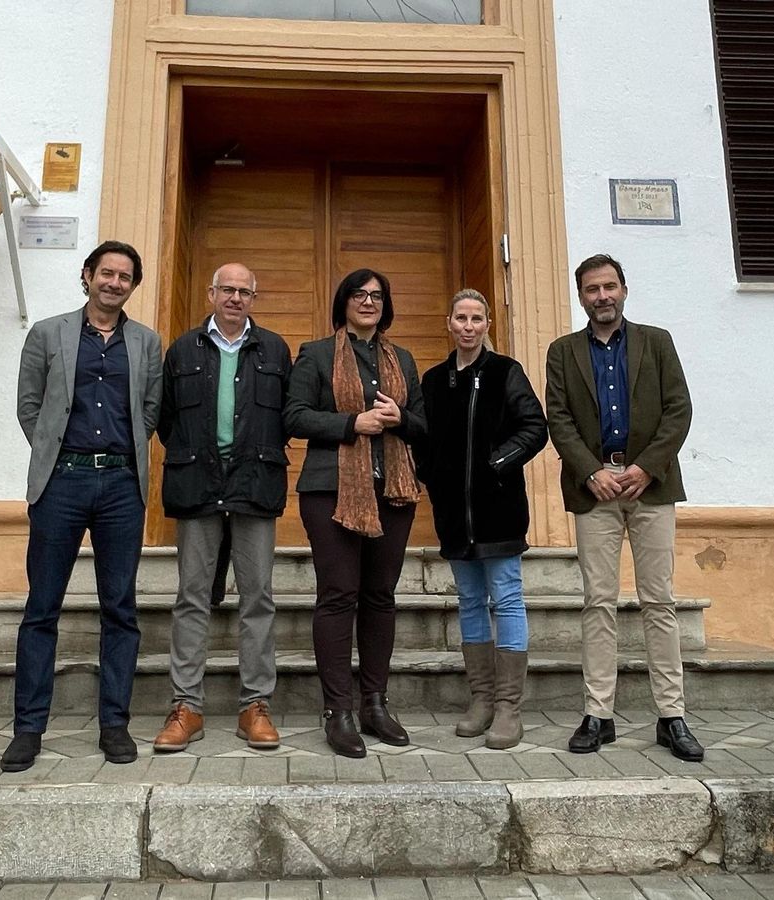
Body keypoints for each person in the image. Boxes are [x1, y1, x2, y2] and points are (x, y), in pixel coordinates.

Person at [2, 240, 163, 772]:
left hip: (121, 486)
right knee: (42, 608)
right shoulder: (48, 332)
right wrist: (54, 450)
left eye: (125, 277)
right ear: (87, 275)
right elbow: (30, 406)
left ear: (133, 286)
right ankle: (29, 729)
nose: (114, 283)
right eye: (106, 273)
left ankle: (113, 724)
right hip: (62, 483)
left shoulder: (145, 342)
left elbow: (149, 411)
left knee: (120, 608)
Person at [544, 254, 704, 762]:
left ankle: (672, 716)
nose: (602, 296)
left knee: (659, 602)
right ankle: (599, 714)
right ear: (581, 296)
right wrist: (592, 471)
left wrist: (646, 468)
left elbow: (679, 409)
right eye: (592, 289)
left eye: (610, 287)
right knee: (598, 603)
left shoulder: (656, 342)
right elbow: (559, 417)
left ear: (625, 290)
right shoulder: (563, 351)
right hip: (595, 491)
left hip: (649, 488)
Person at [284, 268, 427, 758]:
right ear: (343, 301)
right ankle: (337, 711)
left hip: (393, 493)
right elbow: (294, 415)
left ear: (386, 305)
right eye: (359, 295)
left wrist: (399, 419)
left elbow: (423, 425)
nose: (368, 302)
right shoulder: (317, 354)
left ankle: (375, 703)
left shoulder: (402, 359)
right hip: (331, 493)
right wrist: (353, 422)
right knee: (339, 595)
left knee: (380, 596)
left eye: (377, 296)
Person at [153, 262, 291, 753]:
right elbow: (168, 421)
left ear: (254, 298)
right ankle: (186, 706)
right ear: (211, 294)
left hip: (255, 483)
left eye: (244, 291)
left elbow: (285, 420)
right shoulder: (182, 349)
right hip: (197, 483)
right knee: (192, 597)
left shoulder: (274, 349)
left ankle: (255, 706)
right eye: (227, 290)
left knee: (258, 598)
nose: (235, 298)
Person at [419, 289, 548, 750]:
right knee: (471, 602)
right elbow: (422, 441)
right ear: (448, 323)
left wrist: (496, 464)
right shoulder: (433, 381)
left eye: (477, 318)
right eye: (460, 318)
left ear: (487, 324)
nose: (468, 326)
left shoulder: (505, 372)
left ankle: (510, 707)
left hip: (498, 511)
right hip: (454, 515)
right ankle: (482, 699)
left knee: (508, 600)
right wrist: (431, 479)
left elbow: (535, 428)